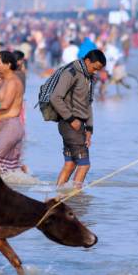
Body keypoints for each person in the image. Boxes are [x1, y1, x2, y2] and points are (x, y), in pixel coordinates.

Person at [50, 49, 106, 189]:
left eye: (98, 69)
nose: (96, 72)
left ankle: (58, 197)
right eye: (95, 68)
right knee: (84, 164)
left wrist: (89, 129)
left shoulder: (89, 77)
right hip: (69, 125)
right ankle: (76, 201)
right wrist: (71, 120)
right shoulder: (71, 73)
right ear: (87, 61)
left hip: (79, 125)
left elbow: (88, 104)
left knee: (70, 164)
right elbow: (55, 97)